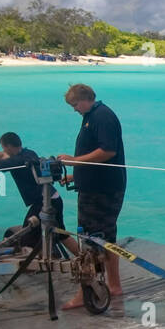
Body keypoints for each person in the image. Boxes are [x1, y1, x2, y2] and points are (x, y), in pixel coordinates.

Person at [57, 84, 125, 310]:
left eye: (75, 104)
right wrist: (76, 176)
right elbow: (94, 155)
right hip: (98, 184)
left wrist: (74, 161)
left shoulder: (102, 117)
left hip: (101, 190)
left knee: (90, 239)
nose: (74, 109)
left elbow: (108, 151)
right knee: (107, 238)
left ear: (86, 99)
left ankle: (86, 291)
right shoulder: (92, 115)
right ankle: (114, 286)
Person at [0, 132, 73, 253]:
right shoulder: (28, 153)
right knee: (62, 234)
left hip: (44, 203)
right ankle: (80, 255)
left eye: (4, 147)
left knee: (27, 237)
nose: (3, 151)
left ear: (9, 147)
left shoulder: (16, 161)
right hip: (54, 198)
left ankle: (36, 263)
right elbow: (1, 156)